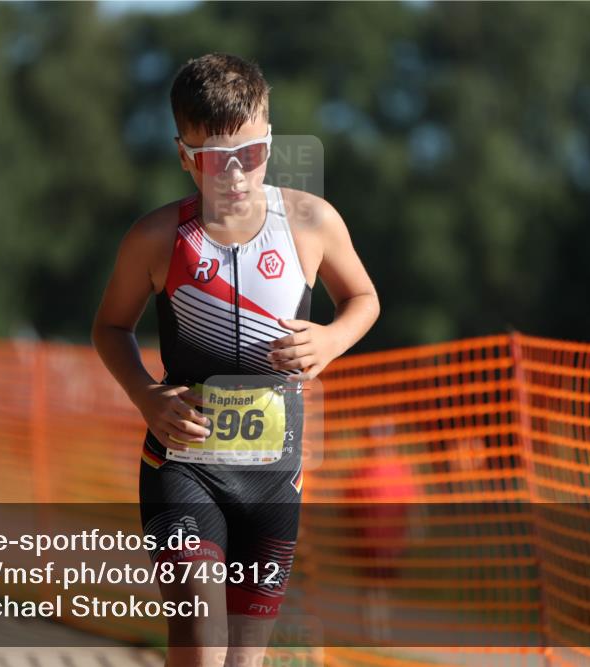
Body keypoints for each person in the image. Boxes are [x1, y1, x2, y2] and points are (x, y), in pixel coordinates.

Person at [92, 53, 379, 667]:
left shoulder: (310, 222)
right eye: (217, 159)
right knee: (201, 646)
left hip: (274, 477)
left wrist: (329, 341)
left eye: (251, 154)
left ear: (269, 142)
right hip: (183, 466)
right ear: (184, 155)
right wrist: (147, 395)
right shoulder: (157, 237)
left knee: (243, 661)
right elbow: (111, 327)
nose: (237, 174)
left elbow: (364, 299)